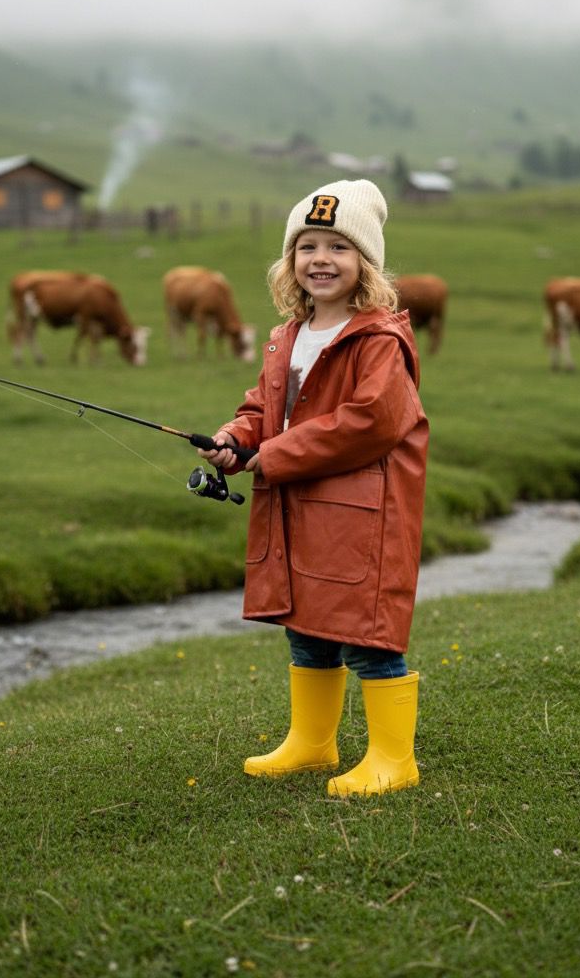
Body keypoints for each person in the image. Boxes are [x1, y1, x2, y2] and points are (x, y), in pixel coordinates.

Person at [200, 179, 429, 796]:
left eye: (339, 247)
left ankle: (393, 757)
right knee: (308, 623)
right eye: (307, 246)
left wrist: (269, 454)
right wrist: (235, 439)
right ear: (289, 261)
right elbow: (262, 408)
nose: (320, 259)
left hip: (361, 516)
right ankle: (312, 743)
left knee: (365, 633)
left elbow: (367, 424)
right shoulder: (288, 336)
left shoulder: (379, 338)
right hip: (297, 509)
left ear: (366, 264)